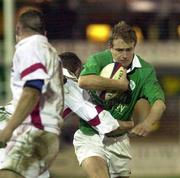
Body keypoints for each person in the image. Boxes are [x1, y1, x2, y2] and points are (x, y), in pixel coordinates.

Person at [75, 21, 166, 178]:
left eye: (128, 50)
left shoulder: (145, 71)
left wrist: (148, 122)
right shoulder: (99, 60)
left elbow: (159, 103)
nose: (124, 55)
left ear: (134, 47)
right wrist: (118, 85)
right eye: (119, 50)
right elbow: (84, 81)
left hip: (118, 139)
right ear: (110, 48)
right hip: (91, 135)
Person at [0, 8, 64, 178]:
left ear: (18, 29)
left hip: (35, 131)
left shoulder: (29, 47)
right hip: (46, 134)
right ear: (44, 32)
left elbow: (32, 90)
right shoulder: (50, 52)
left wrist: (8, 129)